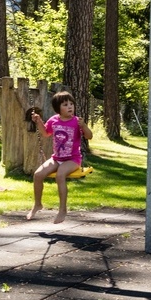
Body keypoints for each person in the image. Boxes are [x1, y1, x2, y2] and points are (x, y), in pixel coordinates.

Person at [27, 91, 93, 223]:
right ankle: (37, 204)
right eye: (65, 104)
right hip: (57, 158)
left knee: (60, 175)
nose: (70, 107)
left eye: (71, 104)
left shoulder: (76, 121)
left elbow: (89, 136)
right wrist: (39, 121)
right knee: (38, 175)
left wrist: (84, 126)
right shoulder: (54, 120)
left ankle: (63, 209)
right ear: (58, 108)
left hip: (73, 159)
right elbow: (45, 133)